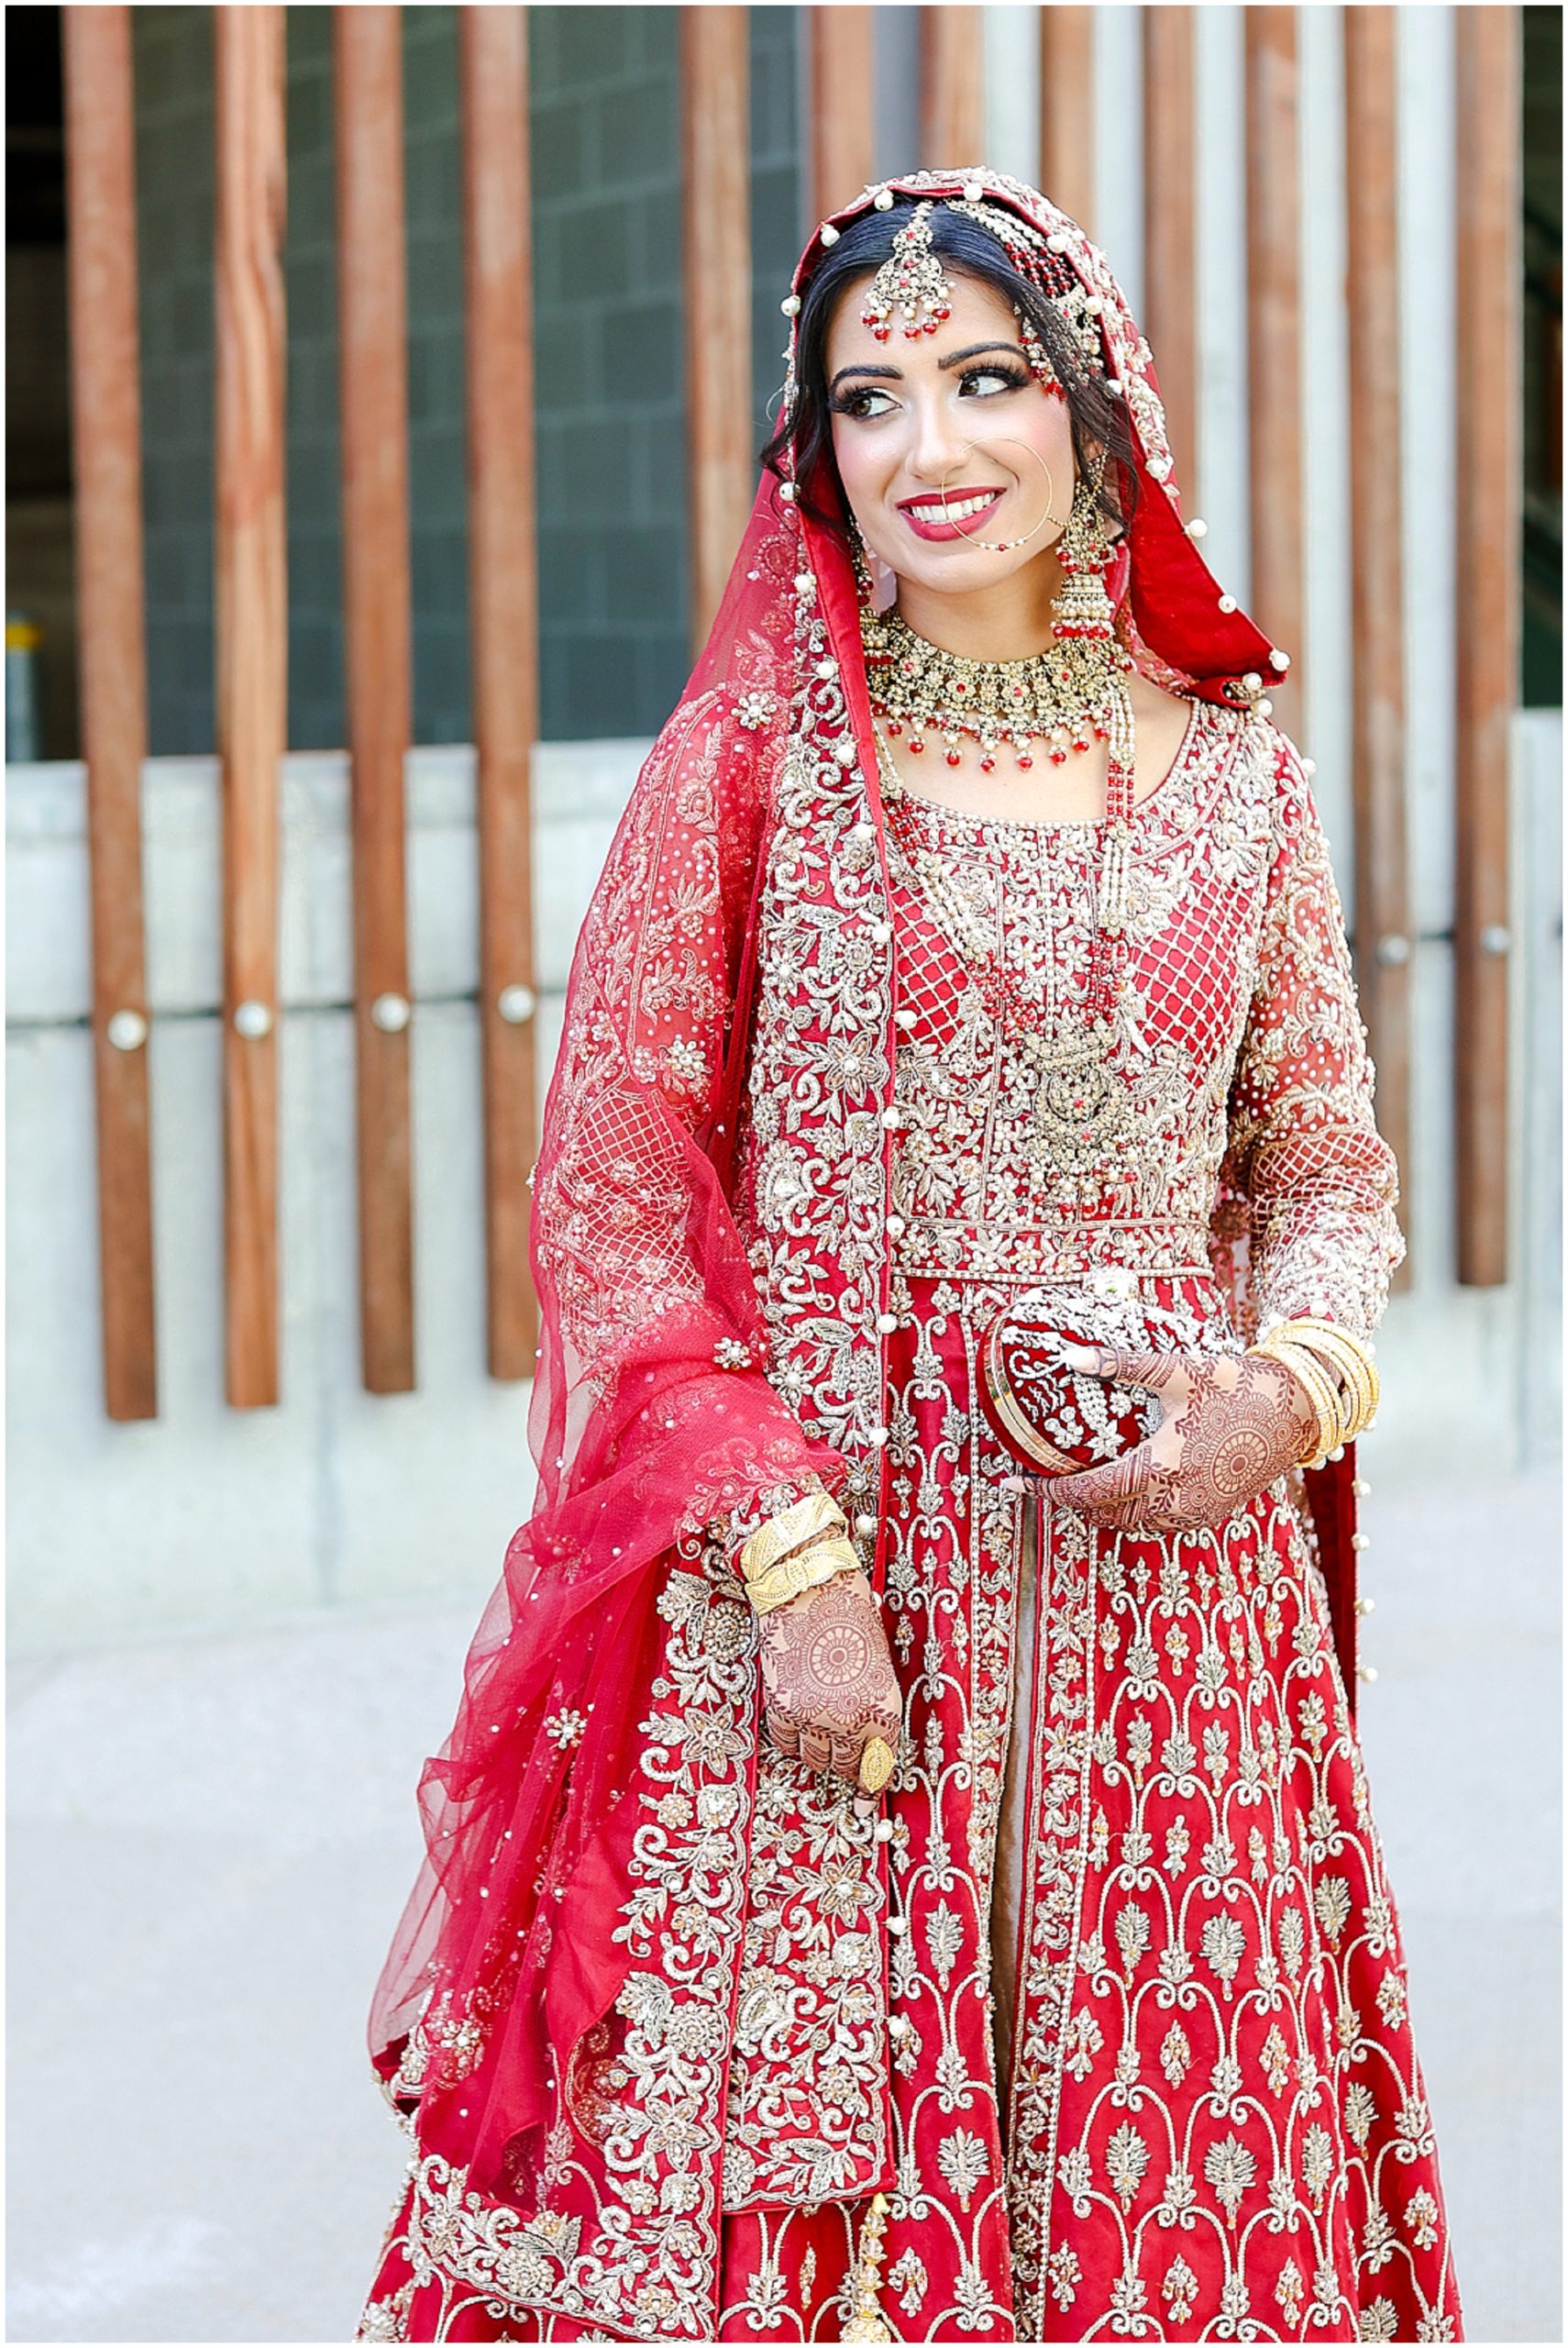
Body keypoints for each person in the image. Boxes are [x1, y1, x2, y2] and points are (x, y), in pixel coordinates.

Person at [356, 170, 1461, 2344]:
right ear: (819, 452)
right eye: (868, 399)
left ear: (1093, 411)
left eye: (983, 381)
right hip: (829, 1611)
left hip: (1181, 1616)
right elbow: (611, 1190)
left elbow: (1323, 1156)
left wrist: (1286, 1384)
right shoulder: (756, 763)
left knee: (1178, 2187)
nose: (928, 447)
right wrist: (791, 1560)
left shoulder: (1240, 777)